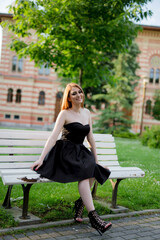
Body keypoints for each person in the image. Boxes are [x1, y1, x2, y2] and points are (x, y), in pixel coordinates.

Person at [31, 83, 112, 235]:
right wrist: (41, 159)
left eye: (80, 92)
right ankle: (94, 218)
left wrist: (97, 161)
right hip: (65, 152)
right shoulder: (64, 114)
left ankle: (81, 203)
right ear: (68, 97)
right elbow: (53, 136)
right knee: (84, 173)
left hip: (80, 151)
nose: (78, 95)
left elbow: (91, 138)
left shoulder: (87, 112)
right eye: (73, 93)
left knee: (94, 169)